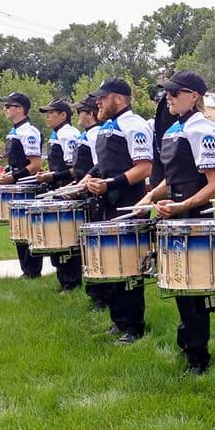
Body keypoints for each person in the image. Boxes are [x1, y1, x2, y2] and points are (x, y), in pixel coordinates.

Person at [134, 70, 215, 374]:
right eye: (167, 93)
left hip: (193, 216)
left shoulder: (203, 129)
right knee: (178, 285)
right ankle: (187, 345)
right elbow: (171, 179)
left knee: (194, 288)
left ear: (193, 96)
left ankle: (198, 357)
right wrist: (149, 197)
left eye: (174, 93)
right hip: (173, 213)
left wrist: (183, 205)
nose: (168, 98)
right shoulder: (174, 129)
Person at [82, 78, 153, 345]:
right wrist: (90, 178)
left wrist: (110, 184)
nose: (98, 102)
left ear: (120, 99)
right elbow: (104, 164)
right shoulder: (106, 126)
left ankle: (134, 327)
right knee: (111, 263)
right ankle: (119, 320)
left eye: (103, 97)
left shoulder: (134, 124)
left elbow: (144, 167)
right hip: (107, 202)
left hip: (129, 203)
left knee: (129, 266)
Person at [0, 92, 45, 278]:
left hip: (27, 186)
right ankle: (25, 270)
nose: (5, 109)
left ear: (20, 109)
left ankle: (32, 271)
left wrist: (12, 177)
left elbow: (35, 165)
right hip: (16, 185)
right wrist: (7, 172)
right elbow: (17, 162)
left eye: (9, 106)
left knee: (27, 229)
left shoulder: (29, 131)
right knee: (17, 229)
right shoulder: (14, 131)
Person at [37, 99, 83, 293]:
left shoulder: (69, 134)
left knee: (66, 238)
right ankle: (64, 280)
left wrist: (52, 176)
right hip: (57, 189)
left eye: (51, 113)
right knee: (56, 238)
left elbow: (74, 169)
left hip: (67, 191)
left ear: (63, 115)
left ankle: (71, 281)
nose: (47, 117)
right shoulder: (56, 134)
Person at [71, 94, 110, 312]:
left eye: (80, 112)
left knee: (95, 248)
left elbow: (99, 167)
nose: (78, 116)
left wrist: (86, 181)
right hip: (88, 194)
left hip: (96, 197)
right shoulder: (88, 134)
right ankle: (96, 294)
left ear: (91, 114)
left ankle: (100, 297)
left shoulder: (96, 134)